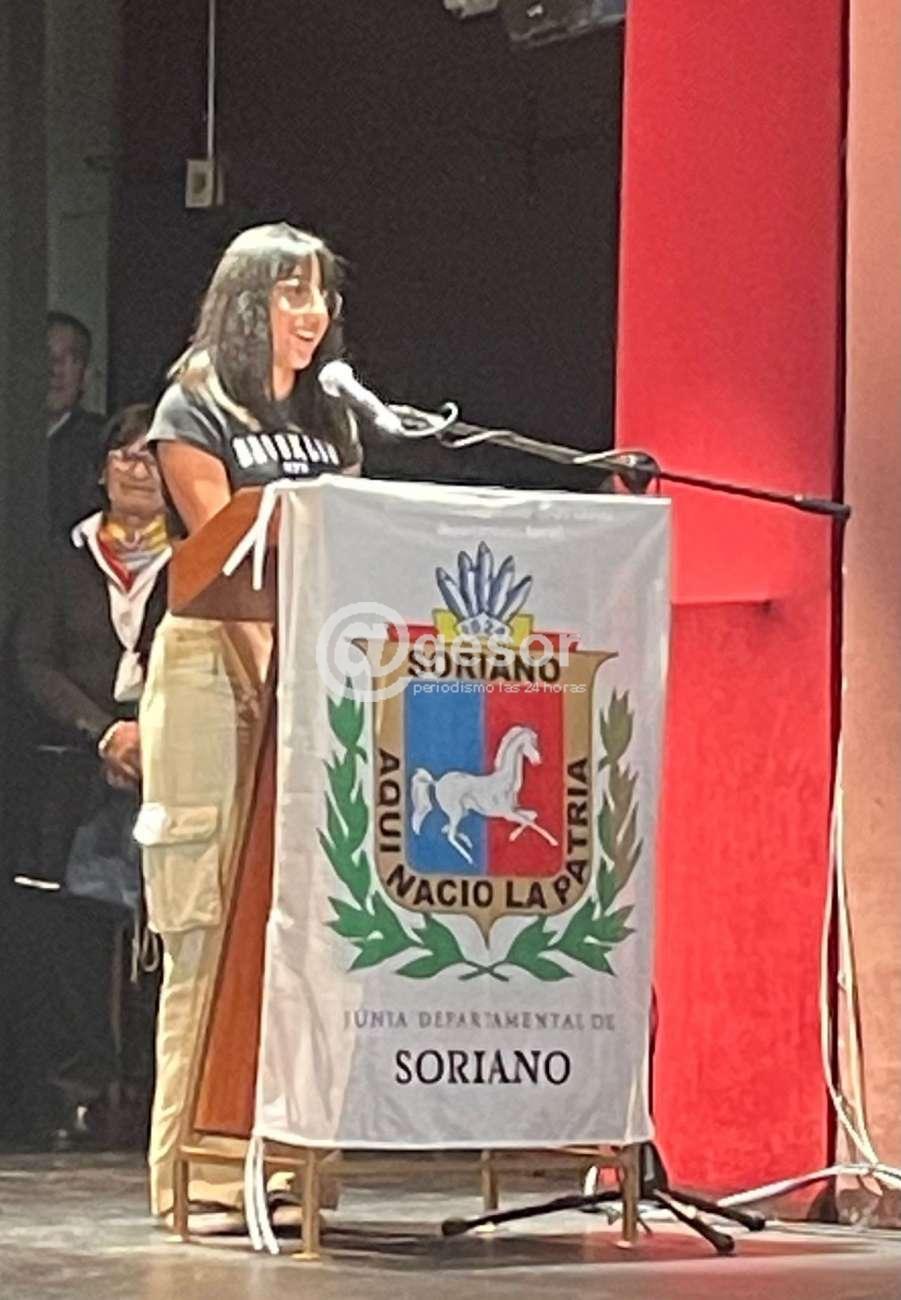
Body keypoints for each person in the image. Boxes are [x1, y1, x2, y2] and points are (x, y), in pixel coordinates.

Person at [137, 223, 361, 1231]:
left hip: (311, 676)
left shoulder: (331, 411)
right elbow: (223, 554)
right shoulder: (193, 404)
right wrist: (279, 679)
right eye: (290, 294)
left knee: (305, 935)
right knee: (206, 926)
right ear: (245, 304)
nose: (312, 314)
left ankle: (290, 1168)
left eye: (320, 295)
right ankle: (198, 1176)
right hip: (215, 668)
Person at [14, 403, 170, 1146]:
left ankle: (155, 1087)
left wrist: (156, 737)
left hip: (178, 768)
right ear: (103, 468)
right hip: (76, 774)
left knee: (165, 936)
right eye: (125, 455)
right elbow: (34, 660)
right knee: (73, 938)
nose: (138, 469)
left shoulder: (201, 558)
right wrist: (104, 731)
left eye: (153, 456)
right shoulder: (64, 557)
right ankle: (79, 1090)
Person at [46, 311, 106, 536]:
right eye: (46, 355)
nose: (55, 369)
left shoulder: (103, 443)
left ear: (86, 375)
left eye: (72, 359)